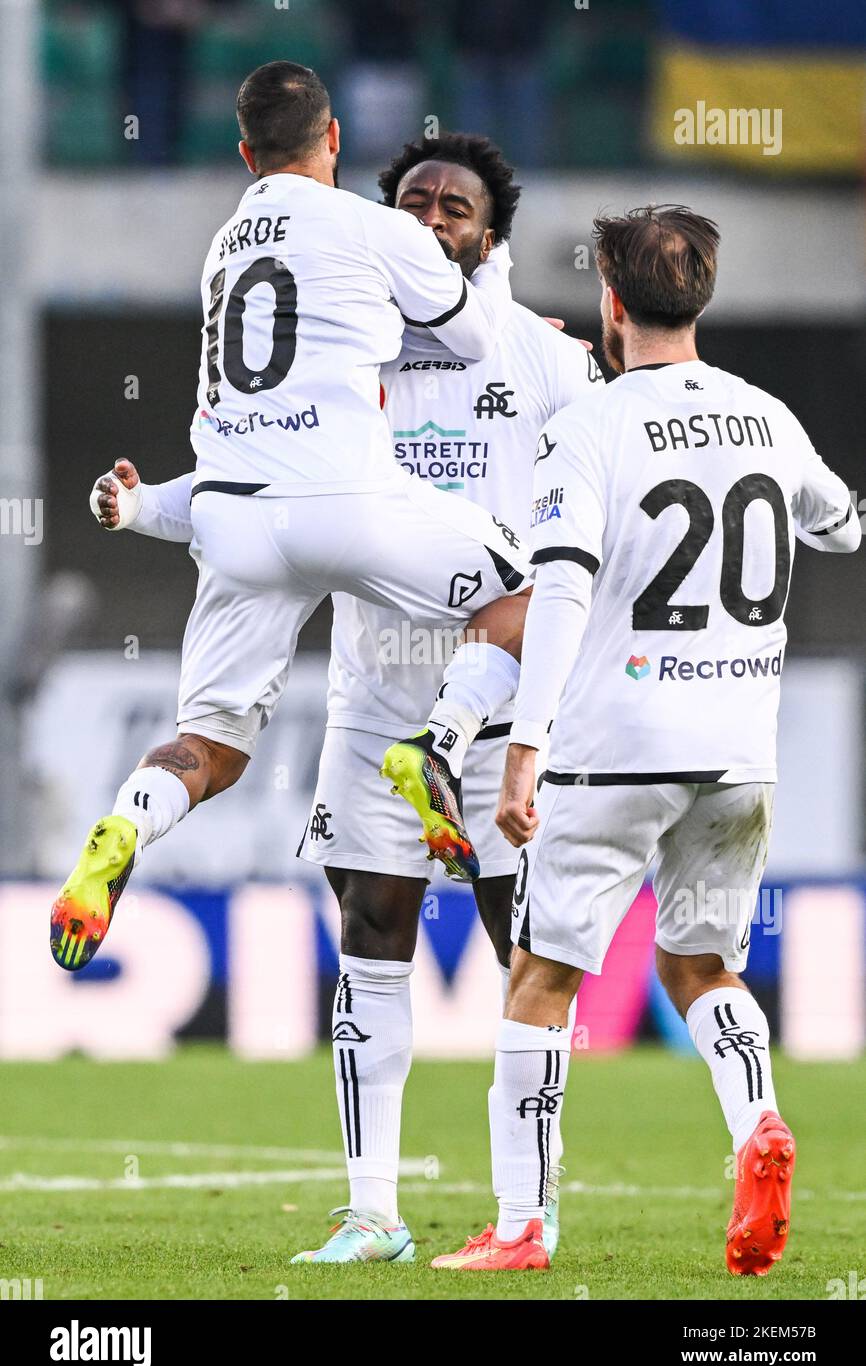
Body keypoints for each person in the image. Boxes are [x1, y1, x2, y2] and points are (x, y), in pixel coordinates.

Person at [89, 131, 604, 1265]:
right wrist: (149, 503)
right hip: (376, 697)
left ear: (488, 233)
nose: (430, 219)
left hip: (506, 707)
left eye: (454, 208)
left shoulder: (545, 359)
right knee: (371, 933)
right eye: (413, 200)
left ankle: (528, 1207)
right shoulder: (344, 332)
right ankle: (371, 1209)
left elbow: (592, 529)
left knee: (521, 944)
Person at [431, 205, 861, 1274]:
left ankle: (523, 1227)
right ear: (700, 301)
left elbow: (563, 582)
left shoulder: (591, 424)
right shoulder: (767, 416)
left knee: (540, 977)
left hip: (610, 744)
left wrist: (521, 739)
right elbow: (840, 523)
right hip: (735, 753)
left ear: (609, 306)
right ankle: (754, 1119)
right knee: (699, 962)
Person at [50, 62, 531, 974]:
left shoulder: (223, 252)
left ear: (245, 155)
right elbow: (472, 336)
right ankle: (435, 751)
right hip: (349, 506)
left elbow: (242, 446)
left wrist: (141, 504)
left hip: (232, 523)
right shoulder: (371, 224)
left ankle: (125, 821)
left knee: (210, 747)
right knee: (525, 592)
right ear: (335, 140)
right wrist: (494, 265)